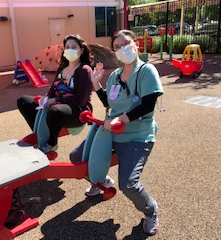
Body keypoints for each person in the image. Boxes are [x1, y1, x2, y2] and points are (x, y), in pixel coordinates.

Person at [70, 29, 163, 236]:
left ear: (136, 44)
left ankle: (151, 211)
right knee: (77, 158)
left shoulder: (146, 71)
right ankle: (101, 181)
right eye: (117, 47)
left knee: (129, 185)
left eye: (125, 44)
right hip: (112, 131)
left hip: (136, 135)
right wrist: (97, 85)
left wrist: (123, 119)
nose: (122, 49)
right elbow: (109, 104)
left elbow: (148, 104)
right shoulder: (114, 75)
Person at [17, 34, 94, 154]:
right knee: (23, 101)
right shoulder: (63, 67)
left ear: (81, 50)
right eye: (67, 47)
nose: (70, 50)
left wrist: (55, 100)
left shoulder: (84, 70)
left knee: (55, 111)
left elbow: (80, 100)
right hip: (58, 104)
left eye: (74, 47)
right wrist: (46, 98)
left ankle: (52, 143)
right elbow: (53, 88)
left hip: (78, 110)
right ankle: (40, 136)